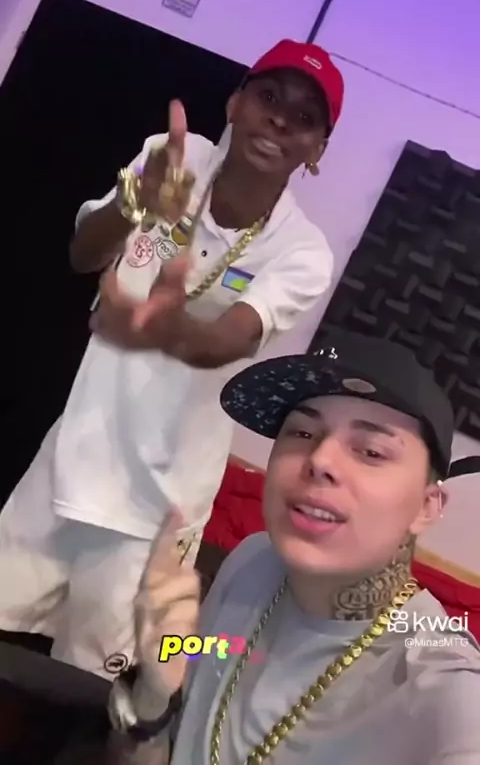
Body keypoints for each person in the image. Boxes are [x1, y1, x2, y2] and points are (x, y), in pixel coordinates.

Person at [0, 40, 343, 678]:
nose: (278, 119)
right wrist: (135, 201)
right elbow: (83, 252)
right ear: (235, 102)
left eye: (303, 118)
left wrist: (159, 331)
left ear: (316, 150)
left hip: (157, 506)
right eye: (269, 97)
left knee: (92, 687)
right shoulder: (174, 156)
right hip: (70, 461)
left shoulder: (302, 252)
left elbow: (229, 340)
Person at [108, 332, 480, 764]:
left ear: (427, 506)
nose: (319, 459)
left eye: (371, 451)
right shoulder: (252, 561)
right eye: (302, 432)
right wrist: (153, 694)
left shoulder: (442, 684)